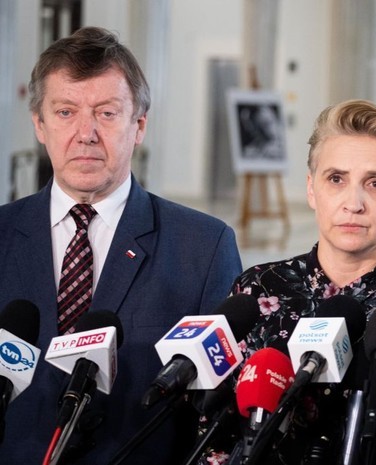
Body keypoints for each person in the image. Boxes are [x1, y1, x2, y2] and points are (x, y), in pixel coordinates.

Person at [0, 27, 242, 464]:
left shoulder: (204, 248)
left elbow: (217, 414)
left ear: (139, 125)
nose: (86, 133)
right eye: (66, 112)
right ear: (39, 124)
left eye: (107, 113)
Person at [200, 99, 376, 465]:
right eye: (336, 179)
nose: (353, 203)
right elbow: (214, 430)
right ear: (312, 190)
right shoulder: (259, 288)